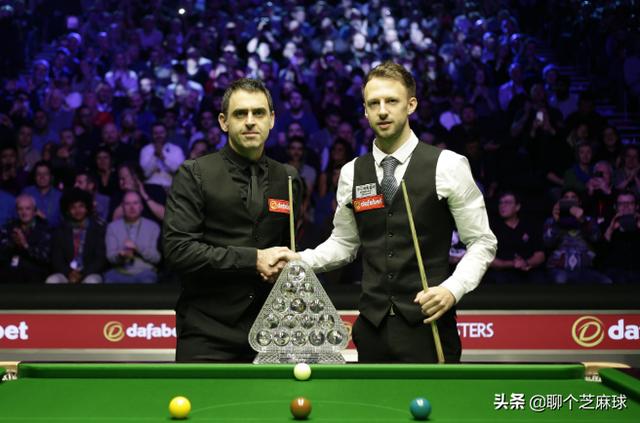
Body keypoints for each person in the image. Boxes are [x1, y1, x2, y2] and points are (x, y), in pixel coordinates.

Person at [290, 62, 497, 363]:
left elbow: (482, 242)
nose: (383, 111)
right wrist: (298, 260)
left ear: (411, 105)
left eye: (392, 101)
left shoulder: (448, 165)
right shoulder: (351, 172)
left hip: (428, 326)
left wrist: (452, 289)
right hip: (371, 329)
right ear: (365, 110)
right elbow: (345, 243)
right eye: (374, 103)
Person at [163, 78, 301, 362]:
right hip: (206, 333)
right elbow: (179, 251)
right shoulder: (194, 174)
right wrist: (253, 259)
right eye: (240, 114)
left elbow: (286, 251)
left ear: (272, 119)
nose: (250, 121)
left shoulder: (288, 178)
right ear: (224, 122)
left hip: (271, 334)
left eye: (258, 113)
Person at [46, 188, 106, 284]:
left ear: (87, 208)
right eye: (73, 207)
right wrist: (69, 273)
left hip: (89, 273)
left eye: (81, 206)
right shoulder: (60, 230)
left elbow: (100, 259)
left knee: (91, 281)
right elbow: (56, 259)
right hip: (67, 273)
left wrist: (82, 274)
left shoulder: (97, 229)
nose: (77, 210)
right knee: (52, 280)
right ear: (68, 210)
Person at [486, 192, 545, 283]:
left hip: (528, 269)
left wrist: (526, 263)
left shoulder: (530, 226)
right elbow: (488, 259)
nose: (502, 206)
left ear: (517, 207)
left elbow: (540, 256)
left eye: (507, 202)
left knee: (539, 278)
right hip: (502, 272)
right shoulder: (492, 229)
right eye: (501, 203)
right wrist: (512, 264)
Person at [104, 190, 161, 283]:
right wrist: (120, 255)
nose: (132, 207)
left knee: (148, 281)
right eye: (127, 204)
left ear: (141, 206)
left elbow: (156, 258)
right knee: (109, 280)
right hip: (118, 272)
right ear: (123, 207)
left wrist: (138, 248)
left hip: (144, 272)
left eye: (135, 203)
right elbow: (110, 257)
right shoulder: (112, 227)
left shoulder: (153, 227)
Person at [0, 194, 51, 283]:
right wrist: (13, 243)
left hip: (35, 273)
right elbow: (2, 252)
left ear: (35, 211)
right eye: (20, 209)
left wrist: (25, 245)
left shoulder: (44, 229)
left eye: (28, 208)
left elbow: (45, 258)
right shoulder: (9, 227)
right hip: (10, 272)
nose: (24, 212)